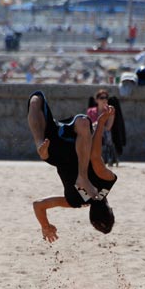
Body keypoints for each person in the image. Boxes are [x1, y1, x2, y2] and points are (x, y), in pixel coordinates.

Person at [27, 91, 117, 242]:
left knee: (83, 122)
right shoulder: (74, 201)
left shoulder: (107, 182)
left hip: (73, 141)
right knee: (35, 102)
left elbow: (95, 156)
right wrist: (45, 225)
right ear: (90, 216)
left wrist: (101, 123)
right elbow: (38, 206)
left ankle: (81, 174)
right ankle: (40, 147)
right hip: (53, 153)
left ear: (110, 209)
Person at [87, 89, 117, 166]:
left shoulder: (110, 111)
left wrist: (99, 124)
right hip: (94, 131)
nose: (104, 100)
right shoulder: (90, 111)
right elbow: (89, 125)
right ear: (96, 100)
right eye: (101, 98)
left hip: (104, 132)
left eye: (106, 97)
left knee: (106, 133)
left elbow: (108, 127)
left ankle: (108, 157)